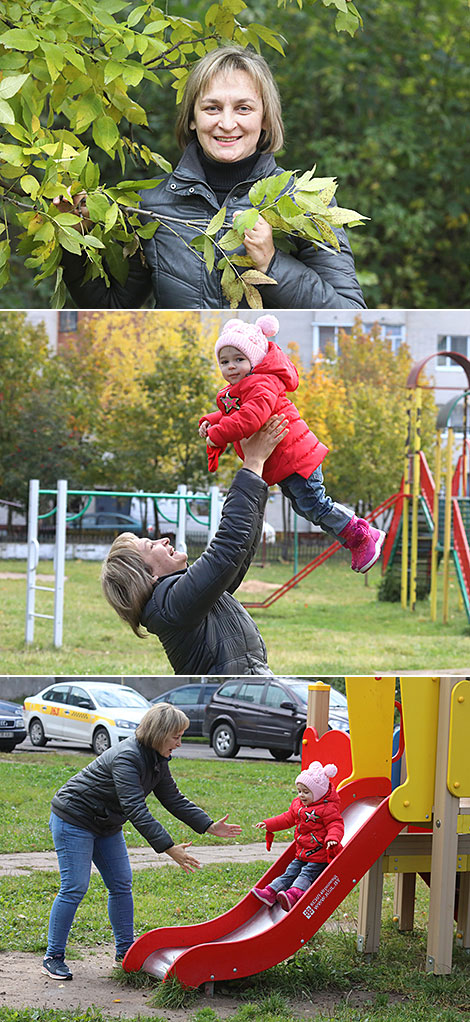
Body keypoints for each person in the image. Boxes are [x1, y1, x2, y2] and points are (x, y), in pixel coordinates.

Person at [59, 46, 366, 310]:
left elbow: (349, 312)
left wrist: (272, 264)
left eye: (243, 108)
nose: (227, 123)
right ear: (192, 118)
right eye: (212, 107)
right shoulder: (149, 206)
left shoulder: (300, 202)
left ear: (265, 118)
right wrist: (74, 235)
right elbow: (110, 308)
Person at [42, 702, 242, 981]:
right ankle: (54, 956)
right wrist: (170, 848)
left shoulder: (156, 758)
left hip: (106, 823)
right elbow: (136, 809)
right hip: (73, 818)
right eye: (176, 736)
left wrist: (208, 826)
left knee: (121, 883)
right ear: (160, 733)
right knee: (75, 885)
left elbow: (172, 798)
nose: (180, 744)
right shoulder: (127, 757)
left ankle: (125, 951)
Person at [101, 415, 288, 675]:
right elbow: (227, 550)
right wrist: (252, 463)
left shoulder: (183, 601)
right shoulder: (171, 606)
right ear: (149, 575)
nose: (164, 539)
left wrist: (259, 473)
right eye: (150, 545)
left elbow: (239, 553)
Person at [199, 315, 386, 574]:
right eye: (225, 361)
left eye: (239, 359)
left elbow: (250, 419)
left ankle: (361, 535)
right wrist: (212, 421)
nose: (231, 366)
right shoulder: (243, 389)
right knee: (306, 507)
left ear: (253, 360)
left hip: (297, 457)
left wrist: (219, 435)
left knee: (314, 504)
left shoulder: (261, 385)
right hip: (287, 462)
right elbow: (234, 413)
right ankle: (358, 538)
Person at [251, 761, 344, 912]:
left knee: (306, 873)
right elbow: (287, 818)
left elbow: (336, 824)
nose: (301, 795)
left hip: (318, 855)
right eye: (299, 791)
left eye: (306, 792)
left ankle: (295, 894)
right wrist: (269, 824)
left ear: (318, 793)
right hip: (301, 853)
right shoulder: (298, 805)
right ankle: (271, 892)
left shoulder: (327, 808)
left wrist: (332, 838)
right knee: (290, 871)